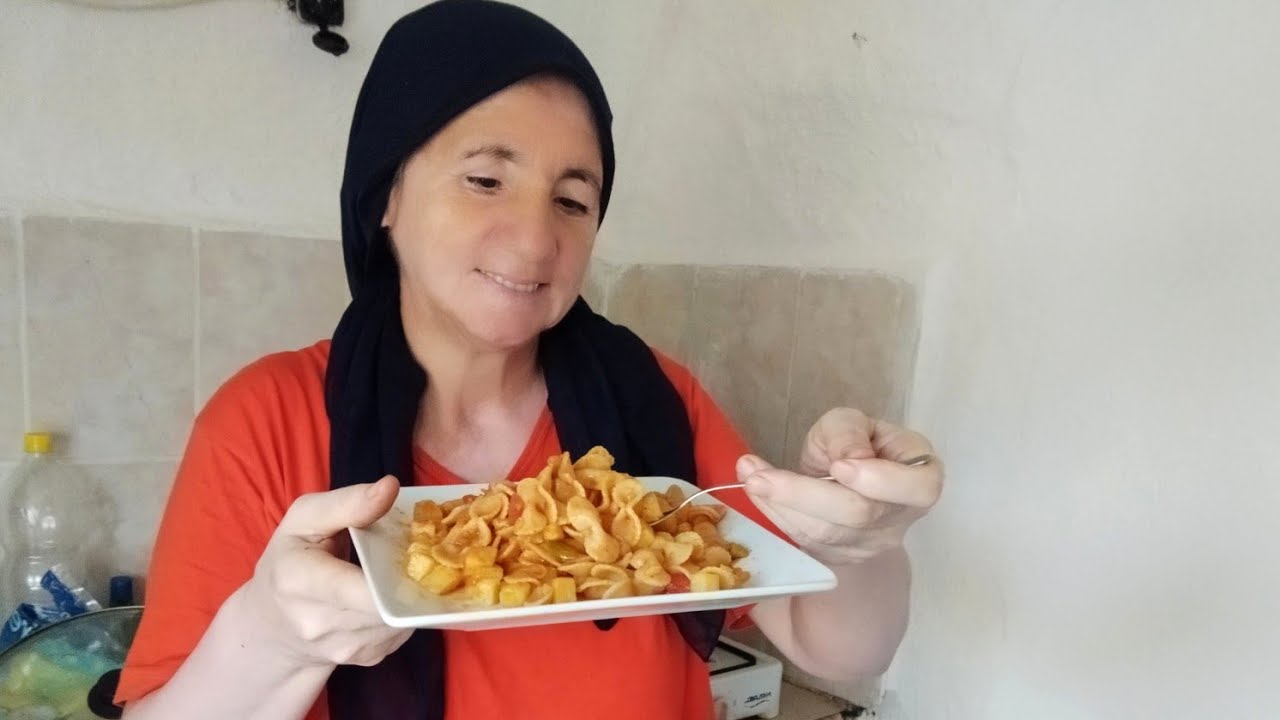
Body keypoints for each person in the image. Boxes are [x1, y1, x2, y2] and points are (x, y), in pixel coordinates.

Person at [116, 2, 943, 719]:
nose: (536, 237)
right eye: (485, 179)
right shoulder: (266, 422)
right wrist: (273, 637)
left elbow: (838, 649)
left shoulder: (655, 399)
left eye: (573, 200)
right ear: (386, 194)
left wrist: (862, 546)